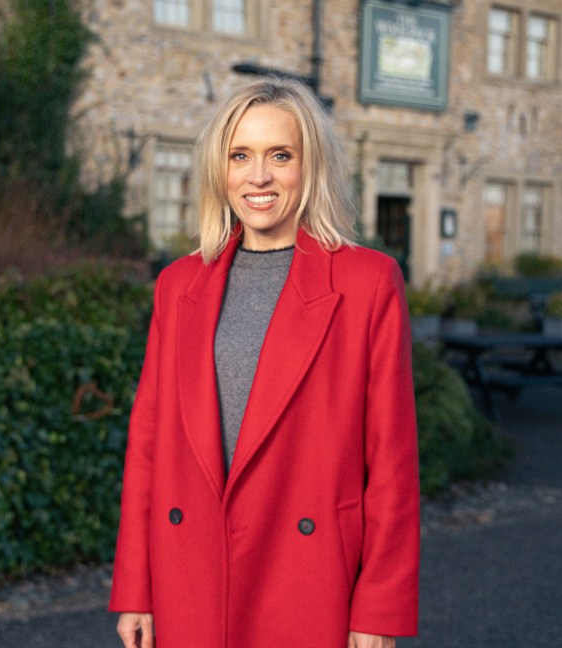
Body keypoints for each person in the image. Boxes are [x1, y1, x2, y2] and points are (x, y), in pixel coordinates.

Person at [108, 77, 420, 648]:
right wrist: (135, 588)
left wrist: (379, 608)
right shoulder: (178, 285)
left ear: (311, 166)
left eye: (281, 155)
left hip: (308, 575)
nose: (258, 176)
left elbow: (392, 462)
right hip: (189, 574)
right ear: (218, 169)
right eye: (240, 155)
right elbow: (148, 447)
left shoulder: (367, 282)